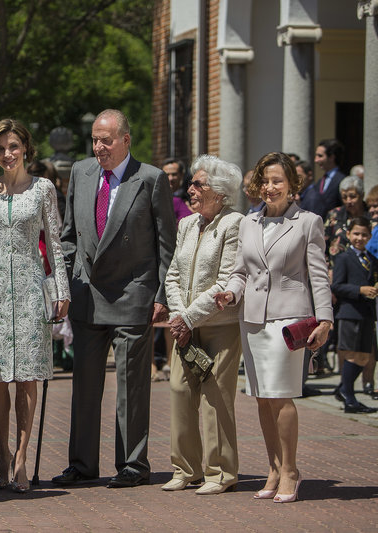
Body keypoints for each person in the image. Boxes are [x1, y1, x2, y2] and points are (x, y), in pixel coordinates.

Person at [53, 109, 176, 489]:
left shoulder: (151, 179)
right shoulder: (81, 172)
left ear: (126, 140)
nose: (99, 147)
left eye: (106, 140)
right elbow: (69, 234)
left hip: (133, 293)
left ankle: (133, 464)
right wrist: (69, 282)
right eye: (95, 139)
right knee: (85, 386)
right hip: (88, 293)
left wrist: (161, 294)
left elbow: (165, 244)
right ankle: (82, 464)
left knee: (131, 386)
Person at [214, 151, 332, 504]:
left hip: (289, 320)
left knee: (280, 397)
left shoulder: (309, 222)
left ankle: (292, 470)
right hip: (252, 320)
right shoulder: (248, 223)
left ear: (292, 184)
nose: (269, 187)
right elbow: (240, 272)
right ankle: (274, 467)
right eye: (264, 181)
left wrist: (325, 319)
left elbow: (319, 276)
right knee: (262, 399)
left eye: (277, 180)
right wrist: (230, 293)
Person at [0, 118, 70, 493]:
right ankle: (1, 454)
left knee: (27, 378)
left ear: (26, 149)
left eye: (13, 147)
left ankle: (22, 457)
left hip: (31, 290)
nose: (7, 154)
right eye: (0, 149)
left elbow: (57, 244)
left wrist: (61, 290)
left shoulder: (43, 188)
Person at [163, 155, 243, 495]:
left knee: (216, 396)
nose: (190, 189)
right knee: (180, 390)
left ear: (220, 192)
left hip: (221, 325)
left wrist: (187, 317)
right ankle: (186, 469)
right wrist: (181, 317)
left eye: (199, 184)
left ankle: (220, 472)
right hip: (186, 328)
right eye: (192, 183)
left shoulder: (234, 223)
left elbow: (225, 280)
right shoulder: (186, 224)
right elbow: (173, 275)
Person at [330, 217, 378, 413]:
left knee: (365, 356)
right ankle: (348, 394)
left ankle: (343, 389)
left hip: (367, 313)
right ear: (348, 235)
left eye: (364, 234)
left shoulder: (372, 260)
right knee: (352, 354)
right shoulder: (343, 258)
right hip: (350, 312)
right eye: (356, 234)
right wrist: (360, 290)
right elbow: (337, 286)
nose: (360, 238)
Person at [324, 176, 366, 268]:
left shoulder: (371, 216)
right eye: (344, 197)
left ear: (362, 195)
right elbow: (323, 246)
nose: (348, 201)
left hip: (364, 271)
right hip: (337, 272)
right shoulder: (333, 215)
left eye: (352, 196)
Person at [303, 138, 346, 218]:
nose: (316, 160)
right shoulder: (320, 182)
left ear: (331, 157)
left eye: (320, 156)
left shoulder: (342, 180)